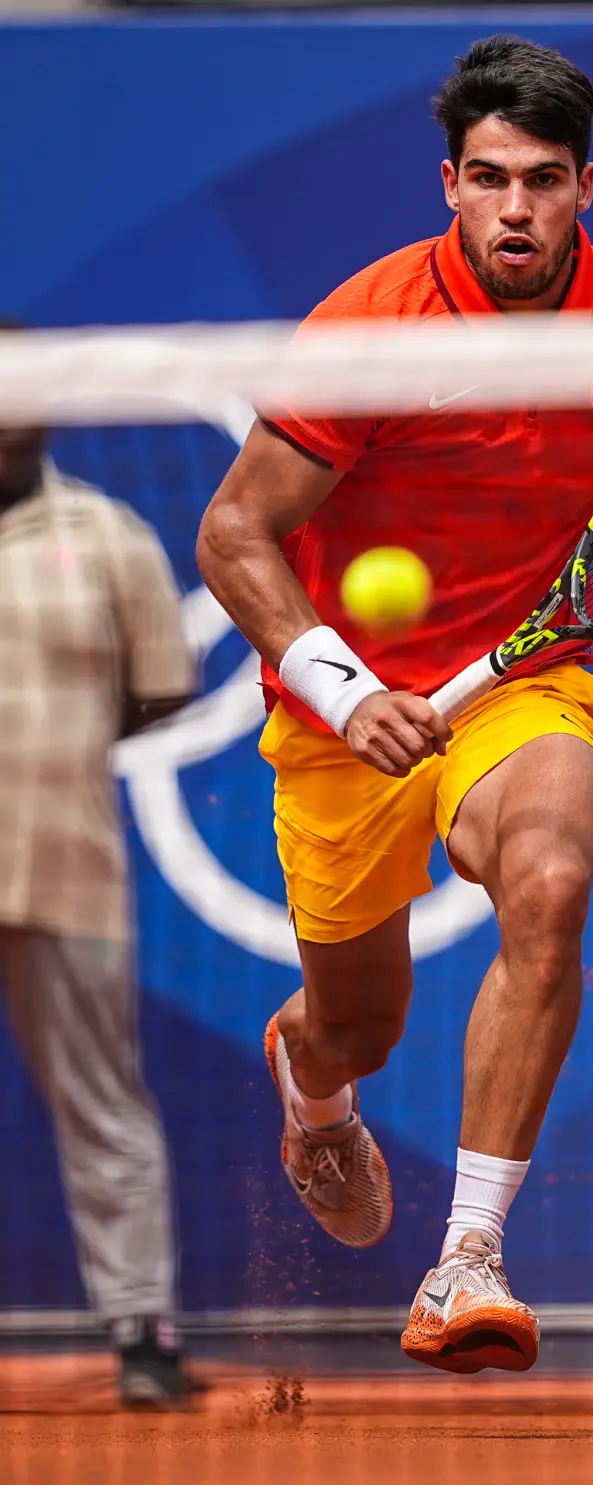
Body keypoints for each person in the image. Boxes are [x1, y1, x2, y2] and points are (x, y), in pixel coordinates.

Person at [197, 35, 593, 1375]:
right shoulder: (370, 326)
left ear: (585, 187)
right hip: (343, 714)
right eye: (488, 180)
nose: (515, 210)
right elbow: (234, 534)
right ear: (448, 184)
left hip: (523, 676)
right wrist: (343, 684)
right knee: (356, 1021)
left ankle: (466, 1258)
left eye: (542, 181)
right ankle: (314, 1090)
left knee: (548, 882)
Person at [0, 336, 197, 1405]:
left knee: (104, 1103)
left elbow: (156, 689)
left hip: (63, 864)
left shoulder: (109, 538)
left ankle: (141, 1335)